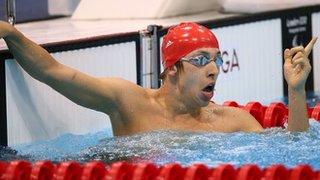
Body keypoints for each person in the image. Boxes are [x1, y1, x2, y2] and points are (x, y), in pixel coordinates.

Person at [0, 21, 317, 136]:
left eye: (217, 59)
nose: (214, 69)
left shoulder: (233, 121)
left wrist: (297, 91)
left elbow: (295, 148)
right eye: (200, 60)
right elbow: (55, 73)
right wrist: (10, 33)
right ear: (171, 69)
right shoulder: (128, 103)